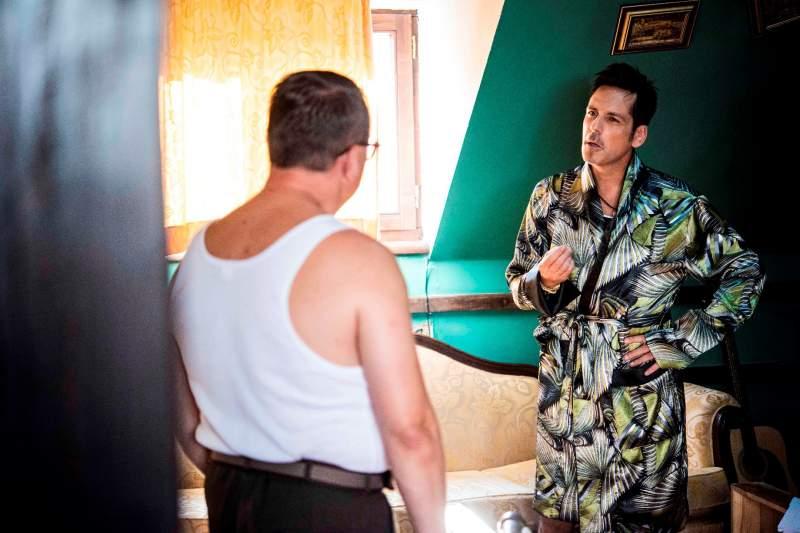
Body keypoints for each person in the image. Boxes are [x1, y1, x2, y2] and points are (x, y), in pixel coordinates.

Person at [170, 70, 445, 533]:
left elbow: (180, 409)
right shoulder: (358, 259)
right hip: (330, 509)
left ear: (276, 145)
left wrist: (235, 477)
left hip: (229, 496)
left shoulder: (196, 255)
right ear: (352, 159)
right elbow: (410, 431)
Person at [506, 63, 764, 532]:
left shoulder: (675, 205)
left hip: (640, 414)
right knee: (556, 528)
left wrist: (677, 342)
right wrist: (541, 282)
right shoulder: (550, 197)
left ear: (638, 134)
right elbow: (517, 282)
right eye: (591, 113)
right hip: (565, 411)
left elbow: (745, 272)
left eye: (612, 119)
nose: (594, 128)